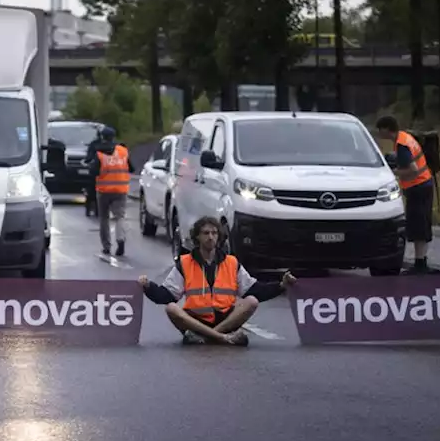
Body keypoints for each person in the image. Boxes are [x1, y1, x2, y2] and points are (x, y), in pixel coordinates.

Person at [139, 216, 297, 345]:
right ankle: (221, 338)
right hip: (195, 321)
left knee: (252, 301)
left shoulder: (231, 263)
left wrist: (281, 285)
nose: (210, 237)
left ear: (219, 236)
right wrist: (148, 286)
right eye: (206, 233)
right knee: (171, 308)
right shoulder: (185, 263)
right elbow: (166, 296)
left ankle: (212, 336)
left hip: (225, 320)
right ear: (197, 237)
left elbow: (254, 290)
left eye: (214, 233)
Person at [375, 115, 434, 274]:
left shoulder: (401, 145)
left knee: (418, 226)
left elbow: (413, 170)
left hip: (418, 187)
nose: (379, 133)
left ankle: (420, 265)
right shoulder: (405, 137)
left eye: (380, 130)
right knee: (421, 225)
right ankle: (420, 262)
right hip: (424, 185)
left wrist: (394, 173)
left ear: (387, 129)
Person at [87, 125, 134, 257]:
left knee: (104, 219)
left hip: (103, 191)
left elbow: (94, 172)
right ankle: (120, 239)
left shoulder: (99, 153)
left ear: (102, 137)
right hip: (121, 190)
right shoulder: (123, 151)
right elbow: (132, 168)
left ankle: (106, 246)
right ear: (114, 137)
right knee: (120, 217)